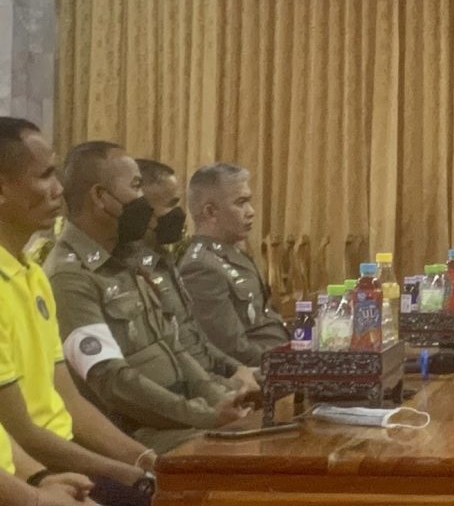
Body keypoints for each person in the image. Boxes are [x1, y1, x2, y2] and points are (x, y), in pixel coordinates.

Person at [45, 142, 252, 455]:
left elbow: (172, 345)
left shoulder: (126, 259)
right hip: (136, 435)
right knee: (254, 458)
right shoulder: (70, 275)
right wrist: (204, 415)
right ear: (100, 197)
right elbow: (112, 381)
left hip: (181, 417)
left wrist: (218, 399)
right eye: (135, 186)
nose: (143, 199)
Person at [0, 119, 155, 505]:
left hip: (49, 462)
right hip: (37, 466)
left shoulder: (33, 274)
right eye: (45, 176)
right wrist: (40, 490)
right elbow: (21, 430)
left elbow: (68, 402)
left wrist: (143, 461)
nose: (59, 190)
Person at [131, 159, 259, 394]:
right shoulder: (136, 271)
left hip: (210, 384)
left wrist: (237, 370)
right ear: (143, 211)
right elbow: (170, 360)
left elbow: (197, 338)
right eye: (171, 204)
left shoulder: (164, 262)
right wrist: (225, 387)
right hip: (191, 395)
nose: (180, 214)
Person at [178, 164, 288, 366]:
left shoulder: (234, 252)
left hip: (277, 354)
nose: (251, 212)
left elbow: (266, 319)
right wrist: (289, 363)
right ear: (211, 212)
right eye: (241, 203)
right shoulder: (201, 267)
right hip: (257, 372)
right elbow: (232, 349)